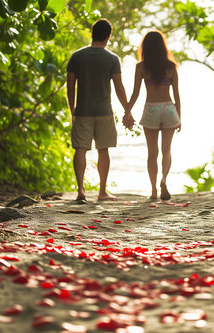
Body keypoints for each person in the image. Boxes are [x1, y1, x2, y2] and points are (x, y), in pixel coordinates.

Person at [66, 18, 133, 204]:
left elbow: (70, 87)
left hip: (82, 112)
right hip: (105, 111)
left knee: (81, 149)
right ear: (108, 37)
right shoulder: (112, 59)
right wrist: (127, 110)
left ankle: (81, 190)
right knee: (103, 150)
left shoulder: (77, 56)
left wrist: (73, 110)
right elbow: (119, 88)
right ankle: (102, 192)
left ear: (92, 33)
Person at [126, 30, 181, 201]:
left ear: (146, 47)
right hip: (169, 109)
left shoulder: (141, 67)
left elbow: (135, 92)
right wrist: (179, 116)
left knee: (152, 153)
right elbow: (177, 95)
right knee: (167, 151)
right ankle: (164, 180)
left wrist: (127, 111)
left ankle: (153, 191)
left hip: (151, 109)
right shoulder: (171, 67)